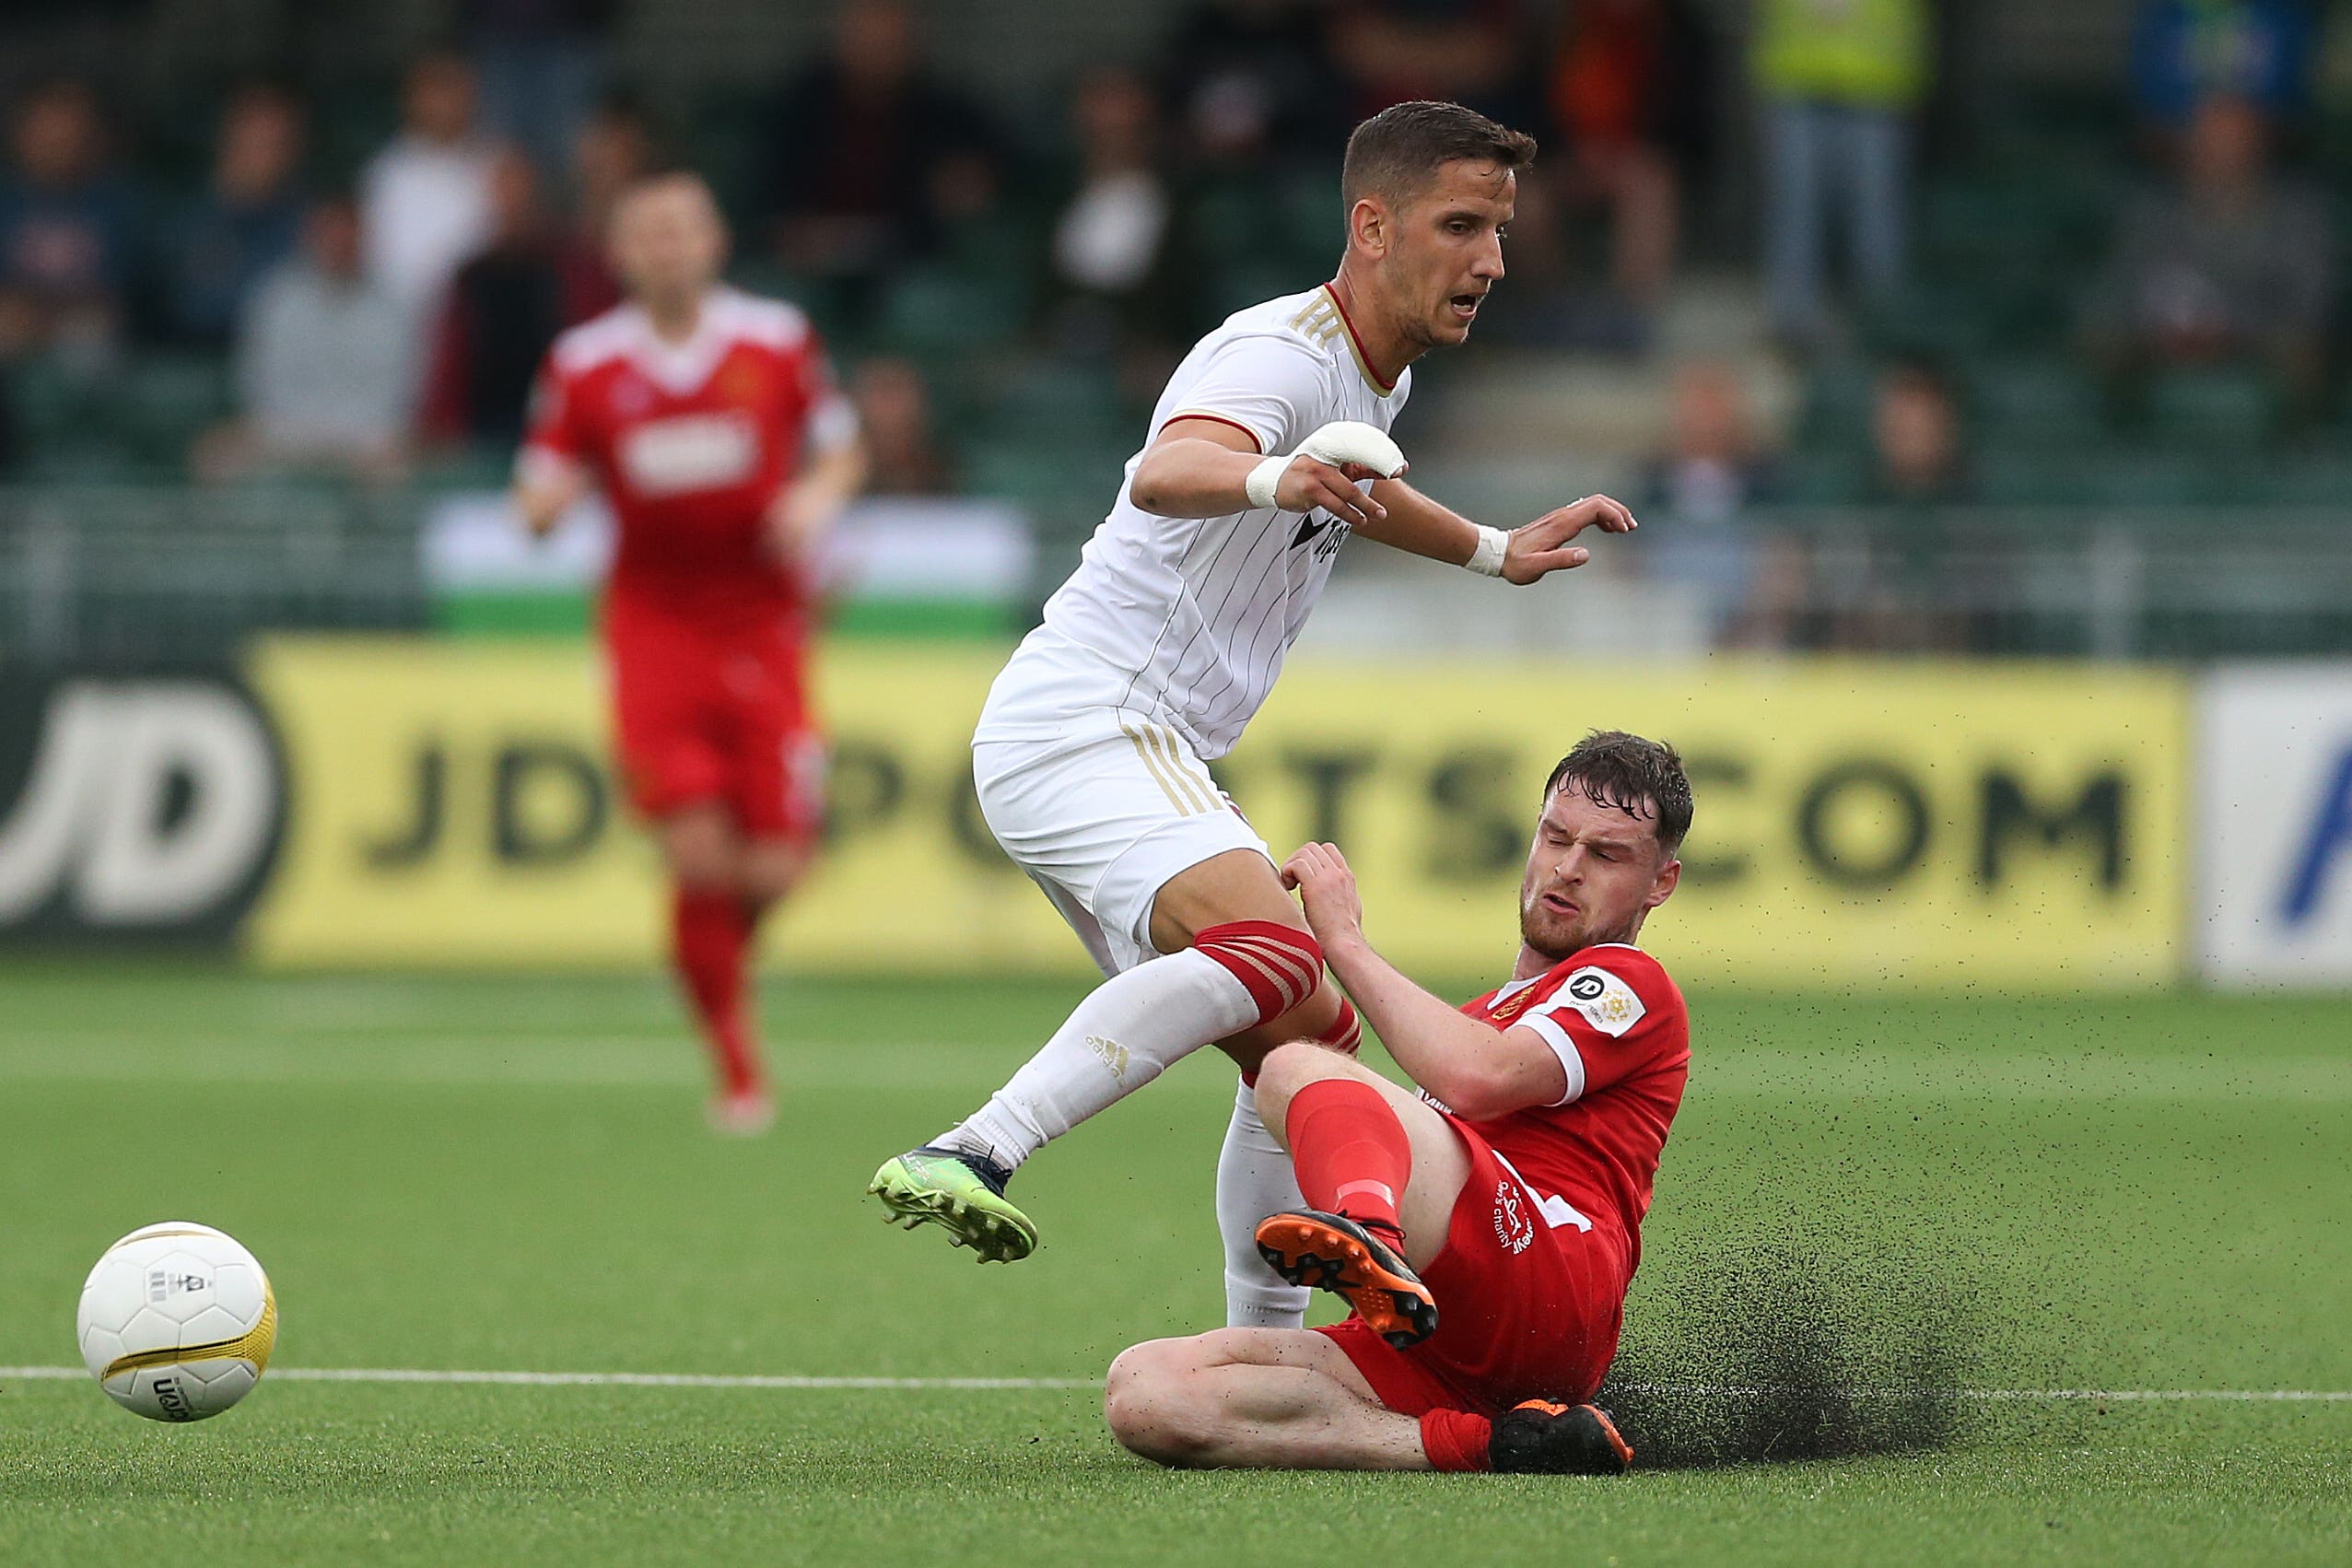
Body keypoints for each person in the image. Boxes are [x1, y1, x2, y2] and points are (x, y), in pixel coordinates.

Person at [868, 102, 1639, 1340]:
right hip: (1094, 717)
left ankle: (1258, 1349)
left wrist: (1492, 549)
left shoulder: (1363, 384)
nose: (1490, 259)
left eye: (1498, 229)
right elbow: (1166, 471)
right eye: (1459, 225)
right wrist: (1269, 474)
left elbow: (1363, 492)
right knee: (1282, 956)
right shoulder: (1278, 357)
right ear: (1371, 227)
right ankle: (977, 1147)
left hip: (1132, 738)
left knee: (1304, 1045)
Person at [1103, 731, 1691, 1475]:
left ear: (1659, 882)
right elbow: (1420, 1088)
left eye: (1606, 856)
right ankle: (1501, 1443)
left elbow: (1479, 1079)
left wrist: (1342, 940)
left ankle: (1366, 1235)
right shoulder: (1475, 1019)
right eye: (1555, 838)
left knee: (1294, 1069)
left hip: (1545, 1280)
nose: (1567, 870)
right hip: (1438, 1341)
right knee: (1146, 1392)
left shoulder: (1630, 982)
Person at [513, 171, 867, 1131]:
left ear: (713, 242)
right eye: (647, 233)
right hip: (653, 629)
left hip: (763, 625)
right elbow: (538, 483)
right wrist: (544, 505)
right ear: (620, 253)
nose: (667, 247)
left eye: (682, 229)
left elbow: (840, 450)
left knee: (776, 869)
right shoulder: (585, 364)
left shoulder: (777, 341)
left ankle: (710, 961)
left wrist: (814, 500)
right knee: (701, 856)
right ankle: (738, 1068)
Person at [196, 193, 415, 483]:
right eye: (330, 232)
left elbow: (401, 391)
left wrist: (346, 436)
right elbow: (256, 380)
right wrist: (297, 433)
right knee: (214, 454)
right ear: (310, 236)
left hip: (366, 436)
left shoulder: (393, 305)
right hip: (283, 430)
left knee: (396, 466)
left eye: (347, 233)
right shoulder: (275, 297)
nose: (339, 243)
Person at [1751, 0, 1930, 345]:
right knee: (1794, 208)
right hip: (1795, 76)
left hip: (1877, 82)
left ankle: (1882, 324)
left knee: (1875, 214)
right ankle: (1793, 323)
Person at [419, 148, 615, 451]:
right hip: (481, 438)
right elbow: (450, 373)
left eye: (521, 194)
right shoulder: (470, 277)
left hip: (562, 432)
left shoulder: (576, 270)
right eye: (502, 194)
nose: (511, 205)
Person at [159, 83, 308, 350]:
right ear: (228, 140)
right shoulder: (185, 220)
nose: (265, 155)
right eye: (255, 142)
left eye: (277, 144)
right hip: (188, 358)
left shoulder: (305, 225)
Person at [0, 78, 136, 366]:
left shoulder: (119, 206)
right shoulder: (7, 201)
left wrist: (40, 316)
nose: (59, 143)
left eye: (70, 131)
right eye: (48, 131)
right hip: (11, 327)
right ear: (23, 134)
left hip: (85, 335)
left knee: (88, 338)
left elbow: (116, 297)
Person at [360, 53, 498, 321]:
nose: (445, 103)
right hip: (397, 320)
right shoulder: (384, 175)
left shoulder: (496, 166)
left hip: (475, 321)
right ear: (411, 97)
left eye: (453, 88)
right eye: (435, 89)